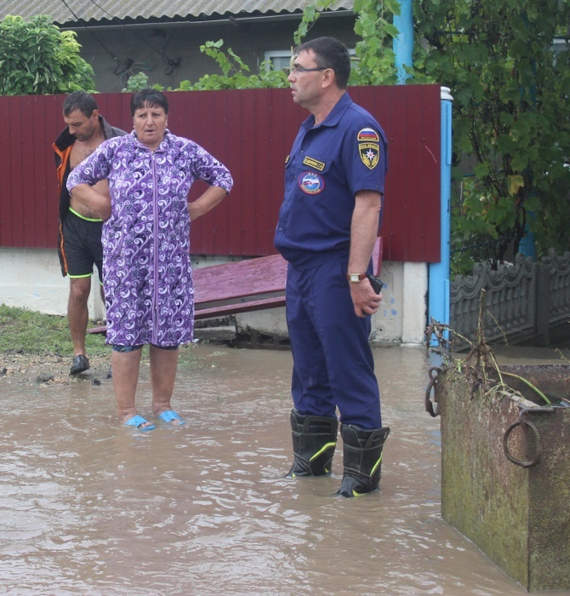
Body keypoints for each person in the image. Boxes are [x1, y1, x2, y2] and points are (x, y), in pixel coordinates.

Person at [66, 89, 233, 431]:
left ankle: (163, 405)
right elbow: (75, 180)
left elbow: (223, 177)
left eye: (156, 114)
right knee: (127, 335)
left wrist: (198, 209)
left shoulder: (184, 151)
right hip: (125, 263)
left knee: (166, 335)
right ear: (132, 120)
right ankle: (127, 412)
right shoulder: (116, 150)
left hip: (170, 265)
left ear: (166, 117)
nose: (149, 121)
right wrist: (100, 205)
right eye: (142, 114)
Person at [274, 37, 390, 497]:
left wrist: (357, 276)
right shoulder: (309, 127)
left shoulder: (359, 130)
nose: (290, 76)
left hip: (335, 268)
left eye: (298, 68)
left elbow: (367, 205)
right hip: (300, 268)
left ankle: (361, 479)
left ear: (327, 77)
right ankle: (312, 466)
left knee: (348, 367)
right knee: (308, 368)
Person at [53, 91, 127, 375]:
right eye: (69, 124)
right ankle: (79, 354)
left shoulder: (120, 142)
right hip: (74, 226)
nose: (72, 130)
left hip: (110, 229)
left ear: (95, 115)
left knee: (113, 291)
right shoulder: (65, 144)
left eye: (78, 124)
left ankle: (119, 351)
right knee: (78, 289)